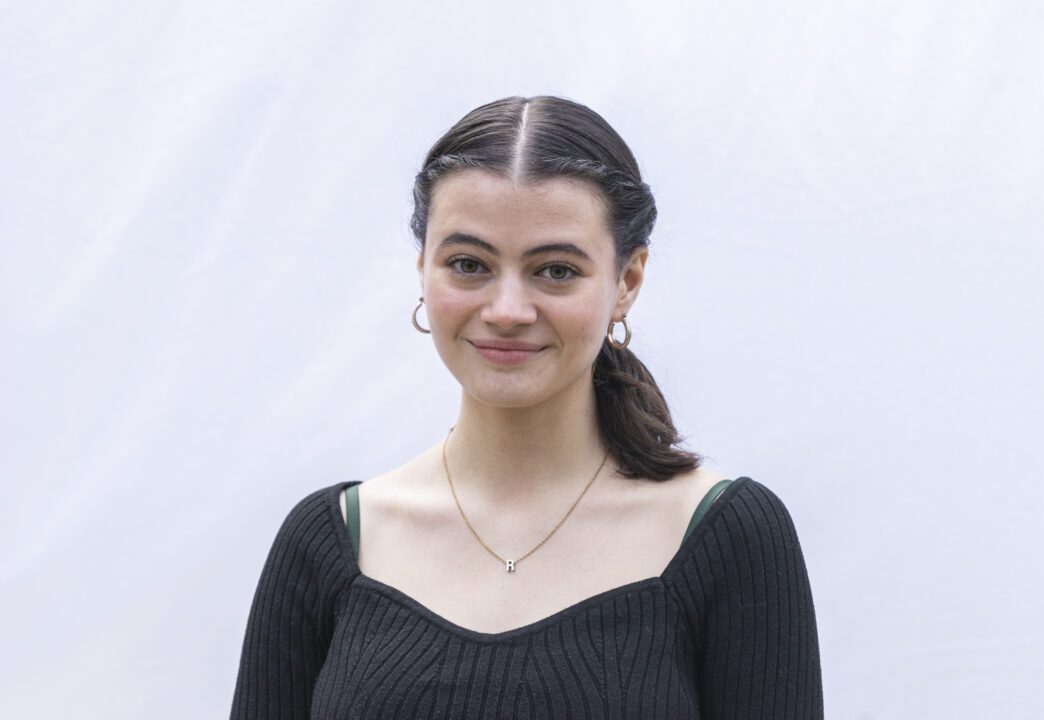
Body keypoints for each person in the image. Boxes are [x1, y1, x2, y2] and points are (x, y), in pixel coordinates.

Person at [229, 95, 823, 719]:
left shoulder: (724, 534)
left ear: (627, 282)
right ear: (422, 269)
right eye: (468, 264)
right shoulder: (333, 540)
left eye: (556, 271)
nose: (507, 310)